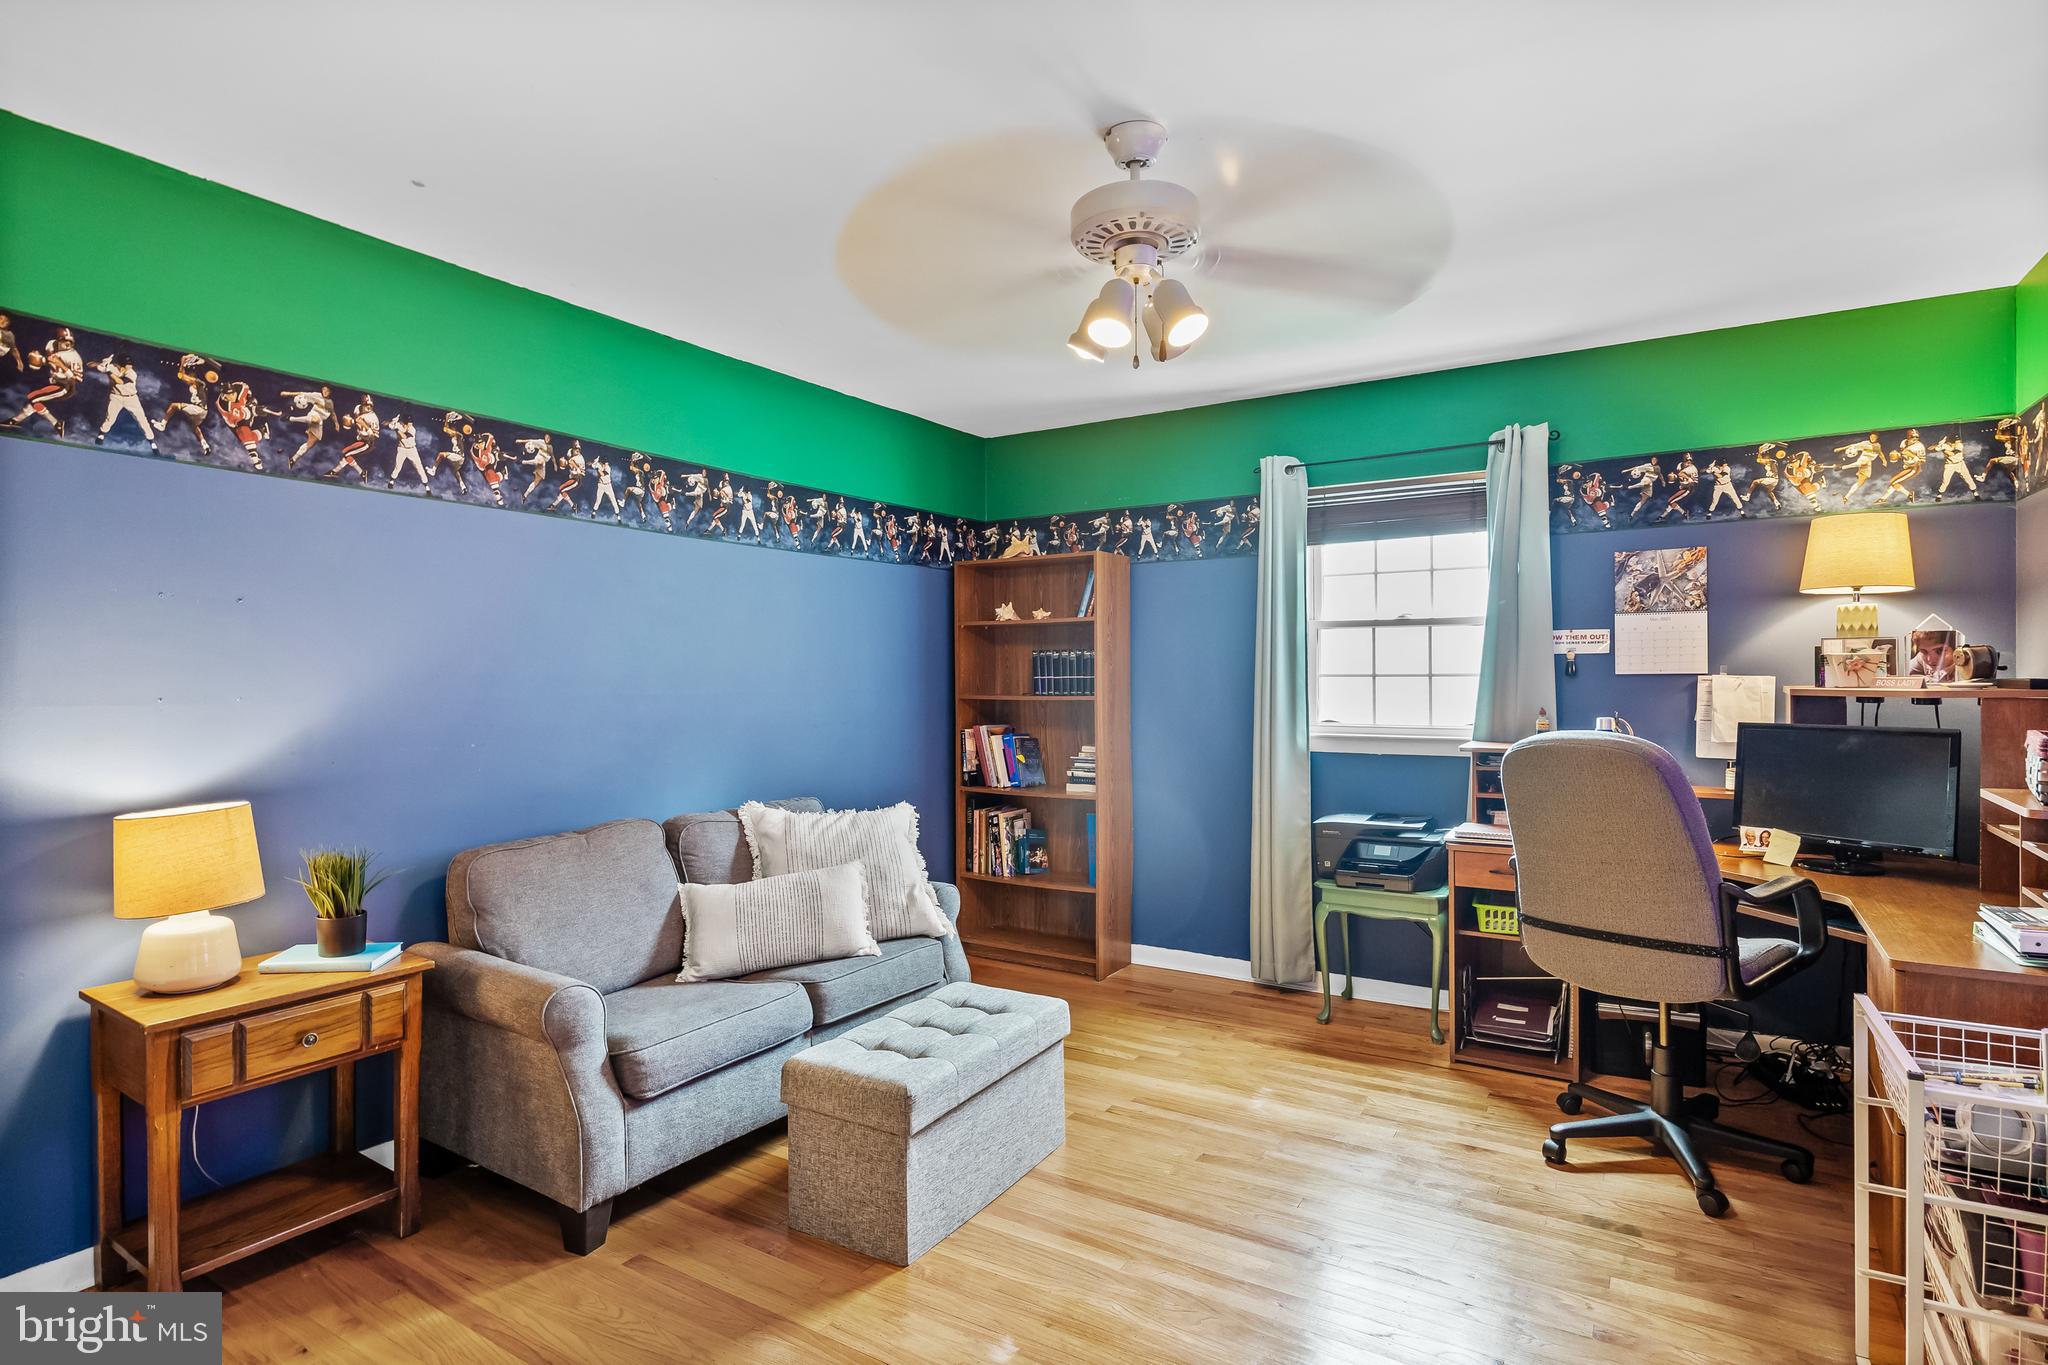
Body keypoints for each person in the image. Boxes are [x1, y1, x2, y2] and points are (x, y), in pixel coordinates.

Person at [154, 354, 215, 455]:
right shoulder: (197, 385)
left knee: (173, 406)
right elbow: (182, 375)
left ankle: (162, 424)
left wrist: (183, 361)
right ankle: (205, 445)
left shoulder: (199, 383)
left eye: (189, 377)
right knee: (194, 427)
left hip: (198, 409)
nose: (187, 381)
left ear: (192, 378)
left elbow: (181, 376)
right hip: (203, 413)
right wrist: (184, 364)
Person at [93, 352, 156, 448]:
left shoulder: (132, 373)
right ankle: (101, 435)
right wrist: (102, 364)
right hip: (116, 397)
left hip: (131, 398)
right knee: (110, 419)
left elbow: (120, 381)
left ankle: (152, 442)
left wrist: (108, 371)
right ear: (121, 364)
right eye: (128, 364)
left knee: (142, 420)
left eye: (131, 364)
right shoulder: (113, 367)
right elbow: (90, 364)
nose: (131, 366)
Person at [217, 380, 278, 470]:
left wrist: (250, 399)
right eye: (228, 395)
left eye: (233, 393)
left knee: (245, 434)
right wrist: (254, 410)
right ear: (224, 396)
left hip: (244, 411)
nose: (232, 396)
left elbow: (246, 389)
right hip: (234, 420)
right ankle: (262, 430)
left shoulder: (240, 387)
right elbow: (243, 415)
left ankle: (254, 457)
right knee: (246, 438)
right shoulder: (225, 406)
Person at [280, 385, 335, 468]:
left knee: (310, 443)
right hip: (314, 415)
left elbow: (333, 413)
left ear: (330, 392)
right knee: (316, 419)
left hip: (320, 422)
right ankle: (291, 418)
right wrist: (287, 393)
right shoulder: (317, 395)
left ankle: (293, 459)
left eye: (327, 390)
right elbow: (302, 393)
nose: (325, 392)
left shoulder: (330, 403)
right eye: (324, 389)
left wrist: (336, 423)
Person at [325, 395, 379, 479]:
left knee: (347, 454)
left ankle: (336, 471)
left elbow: (373, 436)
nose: (369, 407)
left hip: (367, 442)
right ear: (362, 404)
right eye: (366, 405)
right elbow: (356, 421)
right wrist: (350, 422)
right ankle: (360, 473)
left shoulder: (372, 417)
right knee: (345, 452)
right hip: (360, 439)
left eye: (370, 405)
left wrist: (367, 430)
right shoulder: (358, 408)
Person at [1873, 429, 1927, 504]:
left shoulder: (1919, 446)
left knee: (1893, 481)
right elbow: (1903, 454)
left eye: (1916, 437)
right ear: (1908, 436)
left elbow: (1922, 461)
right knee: (1894, 482)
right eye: (1912, 436)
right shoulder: (1904, 442)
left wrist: (1913, 457)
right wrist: (1897, 455)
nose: (1915, 438)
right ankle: (1884, 498)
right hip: (1908, 467)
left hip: (1914, 468)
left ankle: (1884, 498)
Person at [1833, 433, 1884, 502]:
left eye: (1874, 437)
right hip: (1864, 458)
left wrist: (1884, 460)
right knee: (1863, 462)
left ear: (1877, 438)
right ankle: (1842, 467)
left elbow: (1880, 453)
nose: (1872, 438)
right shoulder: (1865, 443)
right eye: (1871, 436)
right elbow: (1853, 445)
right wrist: (1840, 449)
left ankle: (1846, 497)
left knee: (1861, 482)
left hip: (1868, 464)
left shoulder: (1877, 445)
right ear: (1869, 436)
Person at [384, 411, 429, 489]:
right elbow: (384, 423)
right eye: (409, 422)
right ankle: (391, 481)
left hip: (412, 450)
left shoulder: (412, 429)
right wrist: (391, 422)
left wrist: (396, 429)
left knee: (419, 467)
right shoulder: (399, 424)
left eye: (411, 422)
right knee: (398, 467)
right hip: (401, 449)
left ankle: (427, 487)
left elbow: (404, 436)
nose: (411, 424)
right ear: (404, 422)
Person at [1653, 453, 1699, 521]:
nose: (1689, 461)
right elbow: (1679, 475)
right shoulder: (1680, 465)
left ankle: (1682, 513)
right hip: (1682, 487)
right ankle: (1662, 516)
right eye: (1687, 460)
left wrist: (1688, 478)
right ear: (1683, 459)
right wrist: (1674, 476)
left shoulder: (1692, 468)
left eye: (1690, 460)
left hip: (1688, 488)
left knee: (1670, 501)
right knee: (1671, 502)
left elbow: (1681, 474)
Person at [1932, 434, 1977, 500]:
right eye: (1956, 440)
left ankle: (1975, 494)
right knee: (1945, 481)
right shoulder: (1945, 445)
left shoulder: (1959, 445)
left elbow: (1951, 454)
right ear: (1951, 441)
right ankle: (1939, 495)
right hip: (1949, 465)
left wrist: (1944, 450)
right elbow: (1933, 449)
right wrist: (1940, 443)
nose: (1958, 441)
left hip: (1960, 464)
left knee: (1968, 479)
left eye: (1958, 440)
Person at [435, 412, 471, 492]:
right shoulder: (457, 435)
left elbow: (445, 429)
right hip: (461, 459)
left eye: (451, 429)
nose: (450, 432)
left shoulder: (457, 434)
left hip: (458, 456)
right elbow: (447, 429)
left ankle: (433, 470)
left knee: (441, 454)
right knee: (455, 472)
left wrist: (447, 417)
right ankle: (463, 486)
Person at [1741, 444, 1783, 512]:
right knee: (1769, 492)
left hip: (1772, 479)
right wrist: (1761, 451)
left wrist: (1760, 450)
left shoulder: (1771, 461)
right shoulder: (1769, 462)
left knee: (1755, 482)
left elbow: (1759, 460)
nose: (1764, 457)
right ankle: (1777, 503)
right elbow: (1760, 460)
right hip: (1775, 481)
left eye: (1765, 456)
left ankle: (1747, 497)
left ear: (1768, 456)